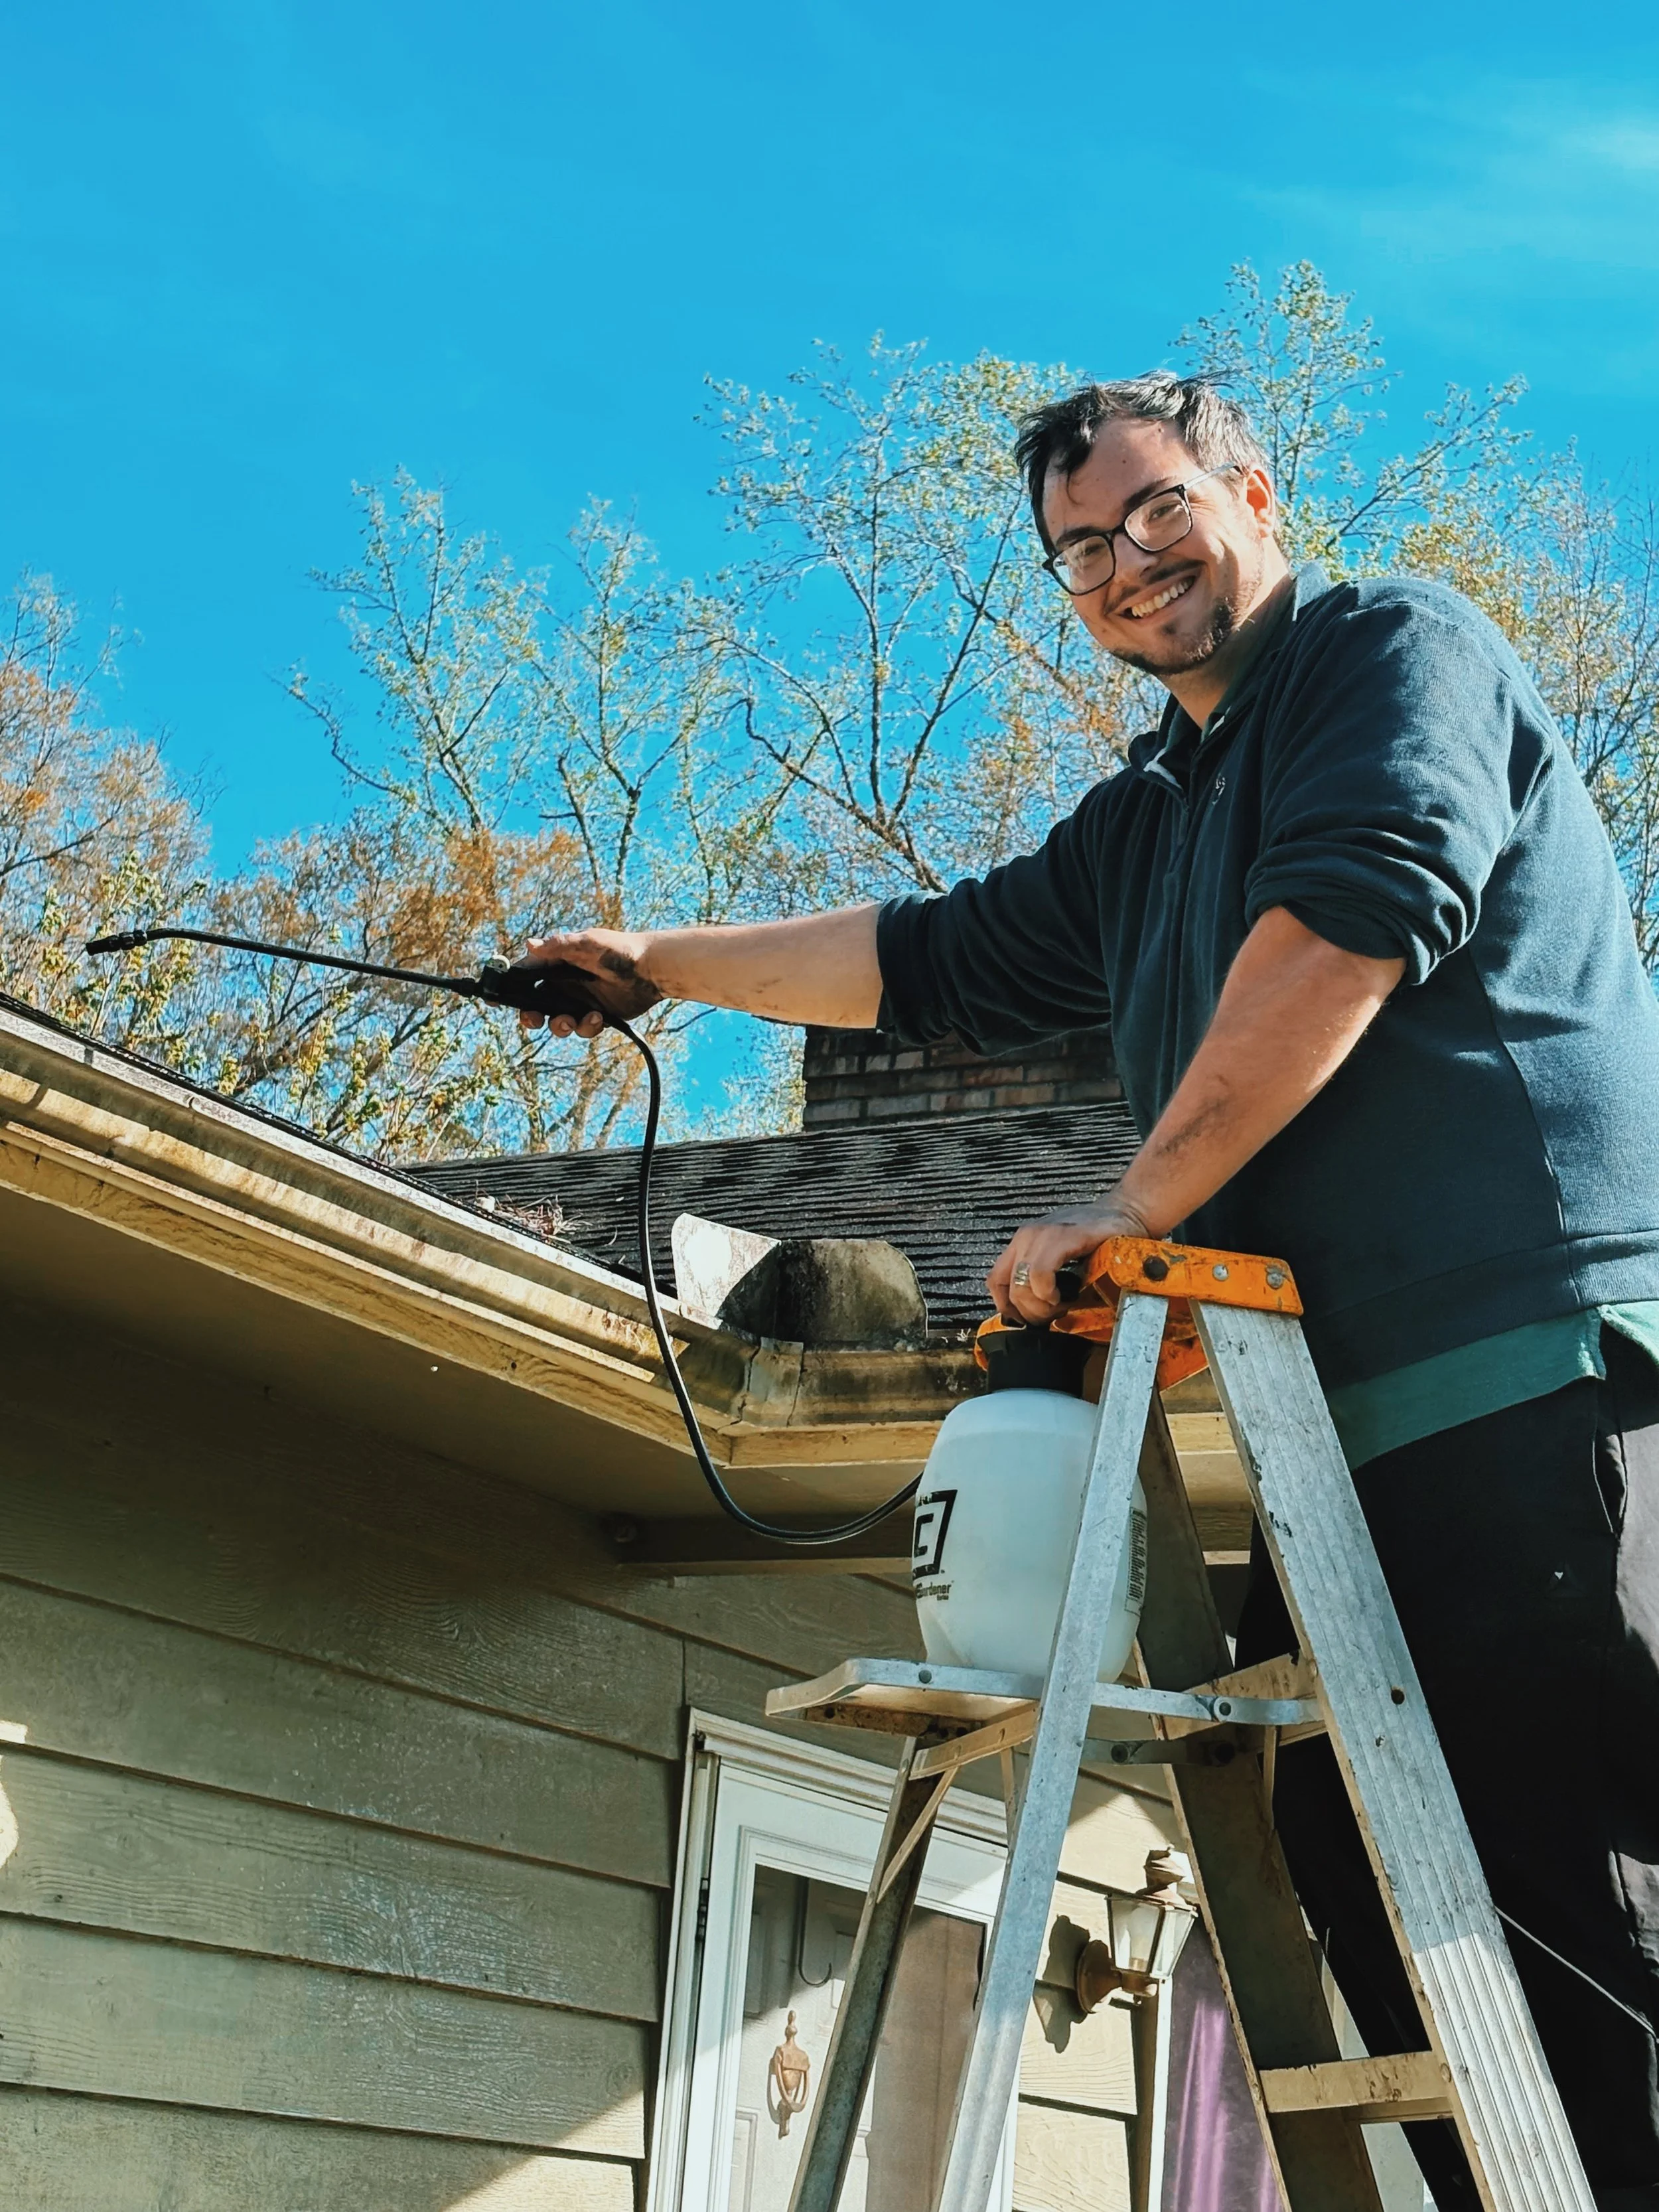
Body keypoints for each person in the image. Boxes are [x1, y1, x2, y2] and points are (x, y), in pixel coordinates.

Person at [518, 371, 1659, 2210]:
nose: (1124, 565)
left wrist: (1134, 1202)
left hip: (1529, 1354)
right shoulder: (1146, 819)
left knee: (1574, 1847)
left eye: (1150, 512)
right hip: (1344, 1415)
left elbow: (1353, 922)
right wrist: (663, 958)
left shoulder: (1382, 648)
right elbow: (919, 957)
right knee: (1354, 1849)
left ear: (1249, 490)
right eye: (1076, 552)